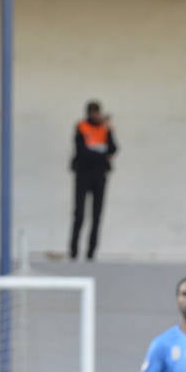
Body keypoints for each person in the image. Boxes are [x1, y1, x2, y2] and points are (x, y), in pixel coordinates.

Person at [69, 100, 117, 261]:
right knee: (79, 214)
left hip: (100, 175)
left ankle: (91, 253)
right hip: (83, 174)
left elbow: (114, 148)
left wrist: (109, 130)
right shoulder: (81, 127)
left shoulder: (105, 129)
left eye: (98, 112)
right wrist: (102, 155)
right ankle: (74, 251)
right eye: (93, 112)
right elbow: (82, 151)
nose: (96, 115)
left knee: (97, 215)